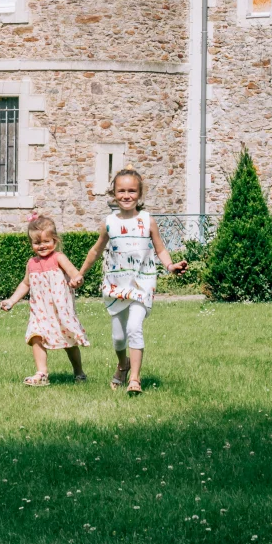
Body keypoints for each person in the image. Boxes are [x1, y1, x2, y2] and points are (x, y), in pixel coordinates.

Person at [72, 167, 187, 394]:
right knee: (118, 337)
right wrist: (80, 273)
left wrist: (171, 266)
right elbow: (95, 251)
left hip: (142, 283)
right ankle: (122, 365)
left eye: (132, 191)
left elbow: (160, 249)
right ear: (114, 193)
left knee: (135, 327)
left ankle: (134, 379)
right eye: (121, 190)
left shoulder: (147, 220)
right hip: (116, 285)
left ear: (140, 194)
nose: (127, 195)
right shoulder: (109, 222)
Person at [1, 214, 89, 386]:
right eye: (37, 243)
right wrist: (11, 301)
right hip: (40, 310)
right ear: (31, 244)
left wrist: (77, 280)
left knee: (69, 341)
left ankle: (79, 372)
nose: (42, 246)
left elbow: (75, 274)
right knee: (36, 336)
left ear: (55, 241)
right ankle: (42, 373)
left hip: (59, 309)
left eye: (46, 241)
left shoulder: (59, 258)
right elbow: (25, 284)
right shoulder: (31, 263)